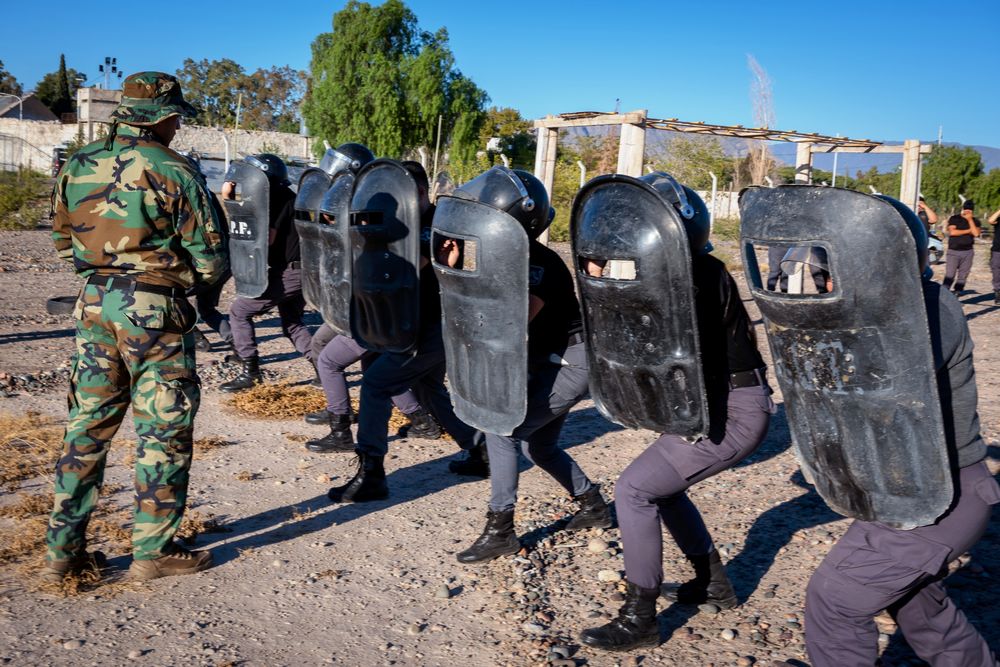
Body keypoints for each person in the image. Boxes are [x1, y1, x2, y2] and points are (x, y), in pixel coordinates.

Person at [741, 186, 1000, 666]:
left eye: (825, 275)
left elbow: (881, 370)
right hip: (904, 492)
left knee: (835, 600)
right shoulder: (869, 310)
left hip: (942, 497)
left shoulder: (929, 308)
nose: (818, 285)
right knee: (920, 610)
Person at [43, 71, 227, 582]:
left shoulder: (77, 164)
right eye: (177, 118)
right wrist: (180, 281)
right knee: (162, 428)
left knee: (86, 427)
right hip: (154, 310)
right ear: (165, 117)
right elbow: (211, 258)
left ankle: (63, 552)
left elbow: (63, 240)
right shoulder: (174, 170)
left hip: (94, 304)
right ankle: (153, 551)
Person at [579, 174, 773, 651]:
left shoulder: (700, 278)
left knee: (635, 490)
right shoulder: (685, 272)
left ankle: (640, 617)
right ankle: (713, 585)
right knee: (662, 491)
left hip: (730, 409)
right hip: (715, 402)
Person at [435, 167, 612, 565]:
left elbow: (509, 323)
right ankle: (593, 505)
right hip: (546, 359)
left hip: (571, 361)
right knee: (540, 446)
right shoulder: (498, 255)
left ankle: (501, 529)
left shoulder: (538, 265)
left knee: (503, 428)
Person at [326, 160, 487, 503]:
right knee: (430, 391)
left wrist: (442, 263)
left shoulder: (446, 222)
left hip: (433, 327)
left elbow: (471, 275)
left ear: (418, 192)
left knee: (376, 384)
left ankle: (372, 473)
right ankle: (480, 450)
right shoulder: (394, 222)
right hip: (402, 324)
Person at [220, 154, 315, 391]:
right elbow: (232, 201)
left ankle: (250, 370)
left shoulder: (278, 201)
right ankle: (324, 368)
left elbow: (266, 239)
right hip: (301, 271)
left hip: (290, 273)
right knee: (292, 323)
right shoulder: (284, 197)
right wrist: (231, 191)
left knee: (239, 312)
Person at [942, 199, 981, 294]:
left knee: (963, 275)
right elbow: (953, 232)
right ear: (963, 209)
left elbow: (976, 234)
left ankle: (957, 293)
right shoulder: (955, 218)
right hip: (954, 251)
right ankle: (943, 293)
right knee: (950, 275)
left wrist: (970, 220)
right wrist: (968, 231)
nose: (968, 211)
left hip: (968, 252)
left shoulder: (975, 221)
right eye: (966, 209)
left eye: (970, 210)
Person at [989, 206, 1000, 304]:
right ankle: (997, 292)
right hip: (997, 250)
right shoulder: (998, 219)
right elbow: (990, 220)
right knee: (996, 273)